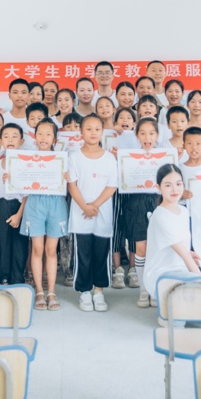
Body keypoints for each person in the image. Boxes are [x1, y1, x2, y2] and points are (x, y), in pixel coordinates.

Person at [66, 115, 118, 312]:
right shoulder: (74, 157)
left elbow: (112, 186)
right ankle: (85, 291)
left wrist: (94, 205)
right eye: (88, 129)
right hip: (80, 215)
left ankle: (99, 291)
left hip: (102, 214)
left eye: (97, 129)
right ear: (81, 132)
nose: (93, 133)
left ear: (102, 132)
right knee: (83, 254)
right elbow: (72, 185)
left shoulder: (109, 158)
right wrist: (84, 207)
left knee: (101, 253)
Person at [119, 117, 166, 306]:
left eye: (152, 133)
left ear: (157, 135)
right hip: (136, 203)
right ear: (137, 135)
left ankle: (154, 289)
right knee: (141, 247)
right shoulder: (128, 157)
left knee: (157, 248)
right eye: (143, 133)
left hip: (159, 203)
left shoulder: (165, 156)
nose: (148, 137)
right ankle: (144, 290)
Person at [20, 118, 66, 311]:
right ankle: (39, 291)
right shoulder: (26, 159)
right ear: (34, 136)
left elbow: (71, 181)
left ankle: (51, 291)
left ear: (55, 139)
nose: (44, 138)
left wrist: (68, 177)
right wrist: (12, 177)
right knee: (37, 249)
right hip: (34, 204)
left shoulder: (63, 159)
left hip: (56, 204)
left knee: (51, 250)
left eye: (48, 134)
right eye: (40, 133)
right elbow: (20, 183)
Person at [143, 164, 201, 307]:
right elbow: (184, 255)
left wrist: (189, 254)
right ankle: (169, 312)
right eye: (168, 185)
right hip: (162, 275)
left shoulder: (183, 211)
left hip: (181, 270)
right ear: (159, 188)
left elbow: (179, 247)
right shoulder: (160, 216)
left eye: (178, 184)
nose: (175, 189)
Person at [0, 123, 28, 285]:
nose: (10, 140)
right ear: (1, 141)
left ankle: (17, 278)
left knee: (19, 244)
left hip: (20, 206)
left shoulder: (26, 164)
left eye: (14, 136)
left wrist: (19, 215)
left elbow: (27, 194)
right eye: (6, 136)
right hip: (1, 206)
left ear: (22, 141)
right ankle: (3, 277)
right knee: (2, 243)